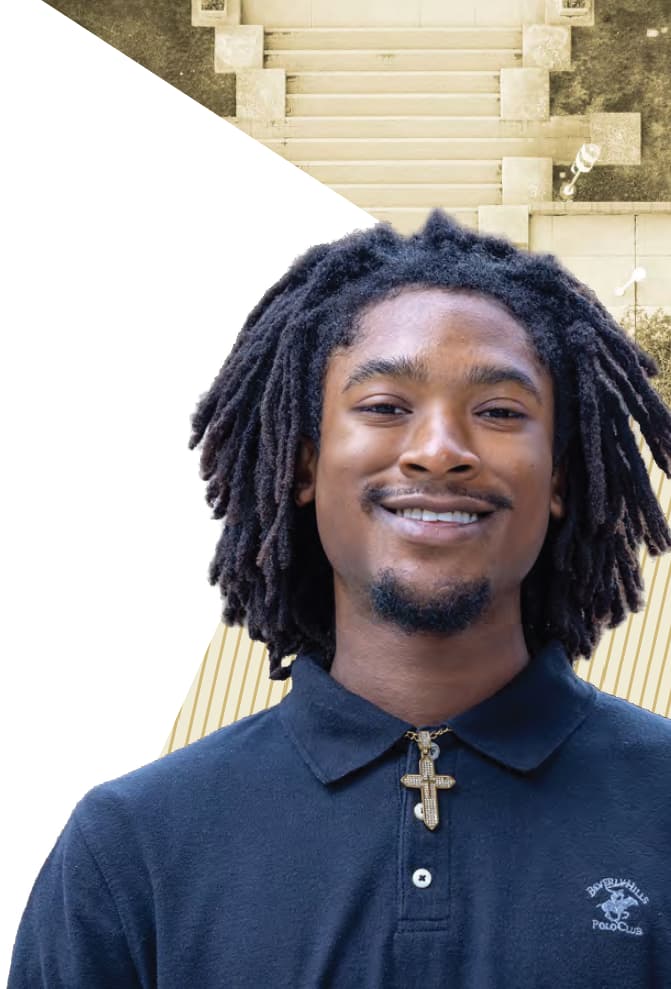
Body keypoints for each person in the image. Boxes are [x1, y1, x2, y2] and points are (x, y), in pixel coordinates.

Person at [9, 210, 671, 988]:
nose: (438, 450)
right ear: (301, 463)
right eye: (386, 406)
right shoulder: (133, 847)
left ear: (559, 477)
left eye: (497, 411)